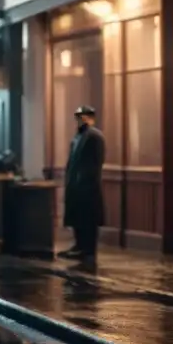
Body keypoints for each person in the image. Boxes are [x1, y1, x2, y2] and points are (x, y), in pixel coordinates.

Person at [62, 105, 105, 260]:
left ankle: (88, 249)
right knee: (77, 217)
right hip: (75, 183)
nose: (80, 120)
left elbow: (95, 162)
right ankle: (79, 245)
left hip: (87, 185)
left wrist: (86, 180)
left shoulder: (94, 136)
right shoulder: (78, 137)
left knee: (88, 218)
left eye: (83, 117)